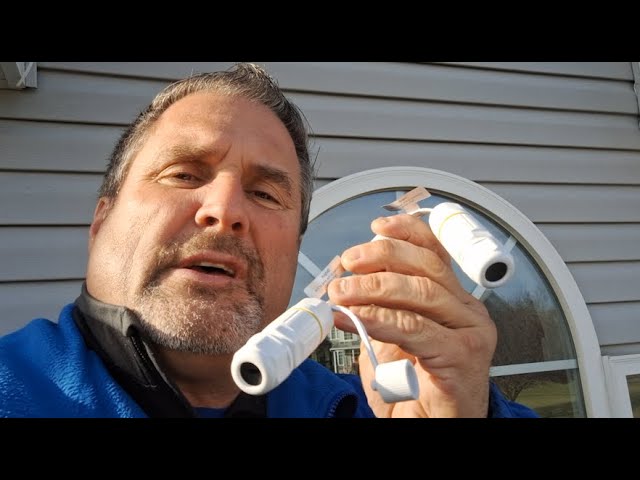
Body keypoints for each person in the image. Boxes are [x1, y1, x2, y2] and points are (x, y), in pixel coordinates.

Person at [0, 63, 537, 418]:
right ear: (101, 222)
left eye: (264, 194)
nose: (226, 210)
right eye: (184, 174)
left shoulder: (374, 407)